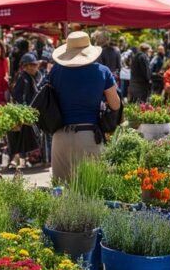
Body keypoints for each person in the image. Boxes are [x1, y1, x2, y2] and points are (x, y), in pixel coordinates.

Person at [47, 32, 120, 182]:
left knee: (60, 193)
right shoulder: (102, 71)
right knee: (91, 193)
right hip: (88, 136)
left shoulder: (55, 70)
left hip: (60, 137)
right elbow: (115, 104)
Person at [7, 53, 41, 169]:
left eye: (34, 65)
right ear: (24, 67)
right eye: (28, 65)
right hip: (23, 112)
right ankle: (17, 159)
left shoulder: (34, 78)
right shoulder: (23, 78)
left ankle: (19, 159)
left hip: (30, 112)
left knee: (25, 136)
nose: (32, 67)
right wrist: (22, 111)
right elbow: (17, 96)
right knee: (23, 136)